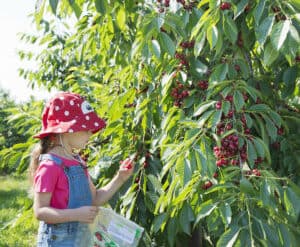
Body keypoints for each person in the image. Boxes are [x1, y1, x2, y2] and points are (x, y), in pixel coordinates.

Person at [29, 91, 135, 247]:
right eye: (86, 128)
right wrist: (76, 214)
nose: (90, 133)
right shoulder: (50, 166)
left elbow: (95, 199)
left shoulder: (78, 162)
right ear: (67, 129)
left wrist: (120, 178)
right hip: (58, 242)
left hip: (81, 239)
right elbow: (40, 211)